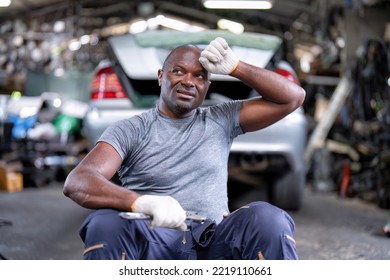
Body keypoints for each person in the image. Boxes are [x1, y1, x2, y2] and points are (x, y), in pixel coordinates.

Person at [63, 37, 306, 260]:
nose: (189, 81)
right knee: (105, 223)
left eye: (199, 76)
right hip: (154, 238)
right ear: (161, 76)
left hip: (214, 240)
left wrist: (235, 67)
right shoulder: (130, 130)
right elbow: (79, 181)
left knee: (268, 219)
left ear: (207, 85)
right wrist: (141, 203)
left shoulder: (221, 118)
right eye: (178, 71)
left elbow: (292, 97)